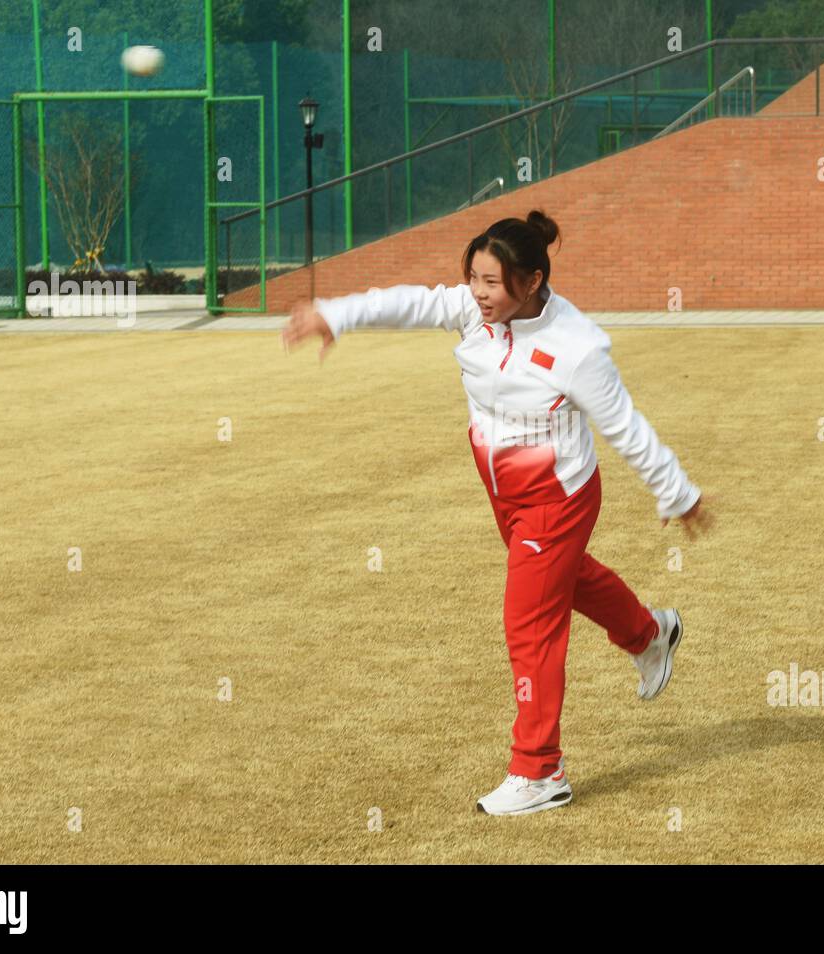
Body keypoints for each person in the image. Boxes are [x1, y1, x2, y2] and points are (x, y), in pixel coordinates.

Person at [281, 209, 714, 816]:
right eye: (474, 279)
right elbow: (408, 302)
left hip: (557, 497)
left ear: (532, 281)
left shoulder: (577, 348)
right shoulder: (472, 311)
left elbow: (625, 426)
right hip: (503, 491)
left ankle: (540, 772)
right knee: (563, 580)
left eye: (492, 282)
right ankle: (649, 635)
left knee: (528, 620)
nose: (478, 294)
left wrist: (676, 490)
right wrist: (335, 313)